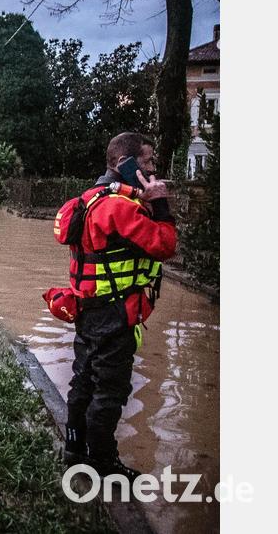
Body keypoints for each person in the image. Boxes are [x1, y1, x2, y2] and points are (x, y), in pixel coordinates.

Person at [61, 132, 178, 479]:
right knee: (109, 390)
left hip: (87, 308)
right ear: (124, 164)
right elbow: (166, 244)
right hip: (115, 313)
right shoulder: (120, 207)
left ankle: (73, 449)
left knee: (83, 380)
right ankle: (102, 462)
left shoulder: (88, 199)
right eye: (148, 161)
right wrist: (160, 203)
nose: (154, 169)